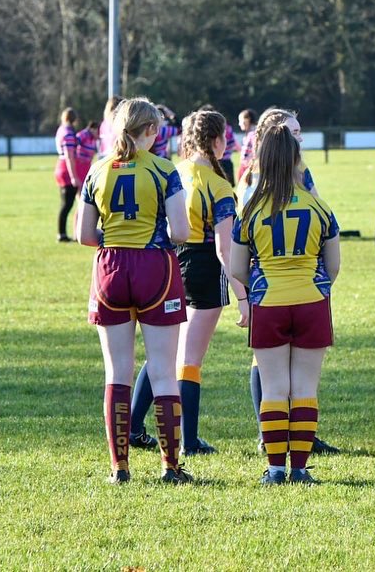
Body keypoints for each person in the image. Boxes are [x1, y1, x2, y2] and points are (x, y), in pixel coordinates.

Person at [75, 97, 193, 484]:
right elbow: (180, 232)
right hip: (155, 267)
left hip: (110, 269)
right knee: (162, 371)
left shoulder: (97, 171)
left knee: (117, 372)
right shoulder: (163, 170)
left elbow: (83, 235)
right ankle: (171, 467)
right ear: (151, 132)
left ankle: (119, 468)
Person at [124, 111, 249, 456]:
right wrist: (242, 296)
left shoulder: (174, 173)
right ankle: (189, 441)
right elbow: (225, 249)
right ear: (216, 141)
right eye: (225, 136)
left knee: (164, 352)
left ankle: (134, 426)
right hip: (205, 270)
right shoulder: (219, 186)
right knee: (189, 359)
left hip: (170, 263)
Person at [231, 124, 341, 485]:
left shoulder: (250, 210)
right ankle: (300, 469)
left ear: (262, 159)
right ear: (297, 159)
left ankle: (276, 469)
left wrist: (264, 282)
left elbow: (236, 268)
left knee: (275, 388)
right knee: (305, 388)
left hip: (269, 301)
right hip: (311, 300)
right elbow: (334, 266)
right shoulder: (319, 207)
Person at [55, 107, 80, 243]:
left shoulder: (60, 130)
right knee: (67, 204)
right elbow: (70, 156)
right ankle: (62, 234)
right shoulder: (69, 133)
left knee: (65, 204)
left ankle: (62, 233)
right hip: (66, 168)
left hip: (60, 165)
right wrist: (74, 176)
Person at [74, 121, 101, 186]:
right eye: (98, 132)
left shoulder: (94, 139)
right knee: (81, 187)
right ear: (93, 129)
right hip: (80, 164)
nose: (99, 135)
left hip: (87, 165)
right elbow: (73, 145)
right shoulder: (84, 134)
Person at [236, 108, 258, 183]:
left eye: (240, 121)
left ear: (247, 119)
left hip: (249, 169)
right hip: (246, 168)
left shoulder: (253, 134)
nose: (239, 124)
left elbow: (255, 153)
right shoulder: (249, 134)